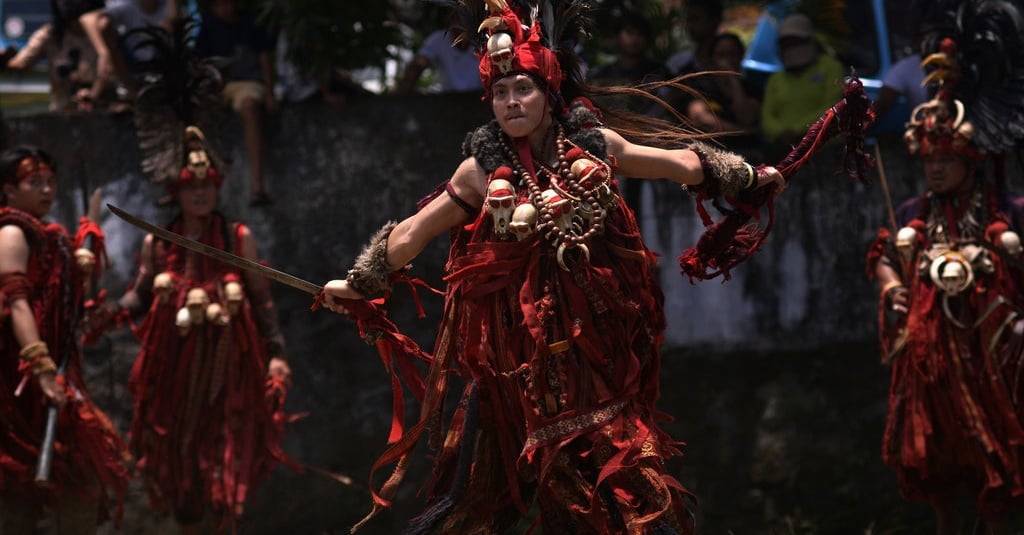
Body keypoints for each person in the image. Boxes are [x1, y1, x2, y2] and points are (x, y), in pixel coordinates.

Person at [320, 1, 788, 533]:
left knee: (622, 482)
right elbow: (414, 231)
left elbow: (679, 164)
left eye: (523, 89)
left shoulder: (595, 146)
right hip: (515, 361)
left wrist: (747, 175)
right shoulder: (478, 172)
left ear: (549, 93)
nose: (512, 101)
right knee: (481, 490)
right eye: (500, 93)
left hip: (594, 346)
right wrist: (360, 282)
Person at [91, 126, 294, 531]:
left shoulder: (239, 238)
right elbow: (140, 296)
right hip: (174, 371)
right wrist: (108, 313)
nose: (200, 193)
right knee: (178, 458)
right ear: (175, 192)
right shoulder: (158, 244)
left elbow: (261, 300)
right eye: (190, 186)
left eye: (207, 185)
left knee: (226, 455)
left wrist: (276, 354)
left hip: (232, 366)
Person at [866, 36, 1024, 535]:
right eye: (928, 160)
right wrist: (893, 290)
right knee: (934, 458)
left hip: (991, 356)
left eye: (945, 160)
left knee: (995, 453)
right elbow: (883, 257)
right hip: (930, 359)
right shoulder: (913, 213)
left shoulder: (1009, 213)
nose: (934, 168)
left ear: (970, 161)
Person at [0, 146, 130, 533]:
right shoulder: (10, 231)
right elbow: (16, 302)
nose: (46, 190)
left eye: (50, 182)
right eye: (34, 182)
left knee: (78, 477)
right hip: (19, 381)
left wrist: (80, 261)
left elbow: (56, 298)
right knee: (19, 485)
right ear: (8, 190)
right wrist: (39, 369)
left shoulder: (47, 236)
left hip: (54, 376)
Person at [195, 0, 277, 207]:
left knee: (250, 108)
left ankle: (257, 187)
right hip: (219, 88)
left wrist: (269, 93)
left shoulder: (250, 23)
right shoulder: (208, 26)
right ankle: (190, 183)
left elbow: (265, 57)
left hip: (248, 83)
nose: (224, 7)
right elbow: (200, 64)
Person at [4, 0, 116, 112]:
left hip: (102, 114)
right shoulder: (50, 35)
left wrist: (93, 94)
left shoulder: (105, 32)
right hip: (62, 114)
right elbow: (20, 63)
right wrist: (6, 58)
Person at [760, 13, 845, 160]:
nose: (792, 47)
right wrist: (780, 133)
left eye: (797, 41)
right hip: (785, 152)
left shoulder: (831, 68)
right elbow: (767, 115)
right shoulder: (776, 79)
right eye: (786, 43)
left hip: (824, 150)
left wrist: (798, 130)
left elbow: (833, 105)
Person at [683, 32, 763, 158]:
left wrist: (733, 80)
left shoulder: (752, 88)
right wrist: (741, 131)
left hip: (747, 152)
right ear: (712, 58)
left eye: (733, 54)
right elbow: (699, 117)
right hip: (712, 152)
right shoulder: (702, 87)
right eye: (721, 55)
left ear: (741, 56)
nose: (728, 60)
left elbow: (747, 117)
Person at [393, 27, 483, 95]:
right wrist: (403, 90)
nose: (460, 24)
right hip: (448, 99)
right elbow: (418, 65)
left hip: (480, 98)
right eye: (456, 17)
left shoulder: (483, 39)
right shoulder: (439, 39)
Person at [665, 0, 723, 76]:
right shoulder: (677, 64)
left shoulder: (728, 64)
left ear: (714, 21)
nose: (690, 26)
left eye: (695, 19)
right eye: (688, 20)